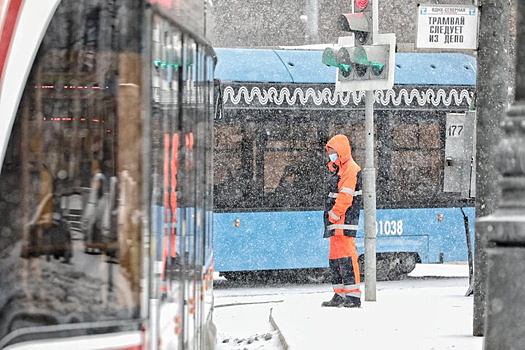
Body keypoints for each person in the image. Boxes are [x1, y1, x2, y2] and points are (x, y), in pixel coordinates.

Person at [321, 134, 363, 308]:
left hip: (343, 222)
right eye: (329, 151)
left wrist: (333, 215)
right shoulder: (339, 169)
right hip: (337, 223)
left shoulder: (350, 170)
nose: (330, 155)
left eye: (333, 151)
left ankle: (353, 297)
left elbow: (345, 198)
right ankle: (339, 294)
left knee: (346, 258)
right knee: (336, 259)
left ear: (341, 151)